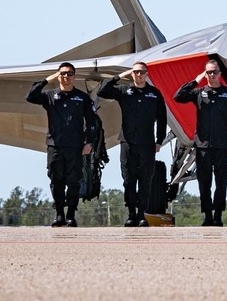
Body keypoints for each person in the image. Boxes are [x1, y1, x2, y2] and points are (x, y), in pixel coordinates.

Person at [26, 62, 100, 227]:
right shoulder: (50, 96)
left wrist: (90, 143)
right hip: (55, 146)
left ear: (74, 77)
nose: (66, 77)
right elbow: (31, 96)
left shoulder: (82, 98)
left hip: (76, 147)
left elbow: (92, 122)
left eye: (70, 74)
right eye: (63, 74)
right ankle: (59, 214)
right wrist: (47, 80)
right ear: (58, 76)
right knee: (56, 180)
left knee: (74, 182)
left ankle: (71, 215)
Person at [96, 62, 167, 227]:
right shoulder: (124, 91)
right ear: (132, 74)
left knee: (145, 179)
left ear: (146, 74)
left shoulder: (154, 94)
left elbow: (162, 118)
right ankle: (131, 214)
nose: (139, 75)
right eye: (135, 72)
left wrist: (159, 140)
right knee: (128, 179)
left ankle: (142, 214)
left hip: (147, 143)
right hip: (127, 141)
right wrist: (119, 76)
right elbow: (102, 90)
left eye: (142, 72)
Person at [174, 59, 227, 226]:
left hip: (222, 145)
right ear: (206, 74)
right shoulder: (198, 93)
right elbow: (178, 96)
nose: (212, 75)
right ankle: (207, 216)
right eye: (209, 72)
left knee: (221, 181)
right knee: (204, 182)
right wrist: (196, 80)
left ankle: (218, 215)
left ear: (220, 74)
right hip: (203, 145)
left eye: (214, 72)